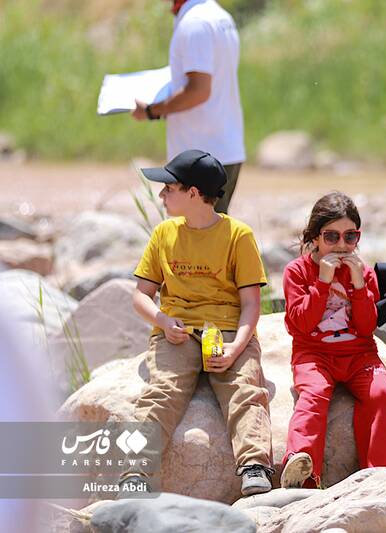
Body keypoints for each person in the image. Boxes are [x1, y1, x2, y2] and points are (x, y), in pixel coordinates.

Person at [119, 149, 273, 496]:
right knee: (162, 393)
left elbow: (251, 303)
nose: (161, 194)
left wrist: (236, 348)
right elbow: (141, 296)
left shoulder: (238, 235)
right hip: (177, 332)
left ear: (193, 193)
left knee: (245, 390)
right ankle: (134, 471)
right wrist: (162, 320)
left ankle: (254, 466)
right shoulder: (164, 233)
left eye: (169, 188)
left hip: (227, 330)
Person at [281, 192, 386, 488]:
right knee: (313, 395)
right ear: (314, 237)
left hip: (359, 354)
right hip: (314, 354)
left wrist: (359, 284)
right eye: (331, 236)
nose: (341, 245)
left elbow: (366, 327)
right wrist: (323, 281)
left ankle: (385, 477)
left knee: (381, 394)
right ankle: (301, 472)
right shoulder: (297, 272)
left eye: (350, 237)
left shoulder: (362, 273)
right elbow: (301, 324)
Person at [132, 0, 245, 214]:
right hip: (223, 147)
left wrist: (151, 111)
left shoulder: (195, 23)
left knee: (195, 233)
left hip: (200, 157)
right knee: (213, 231)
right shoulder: (220, 16)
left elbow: (198, 91)